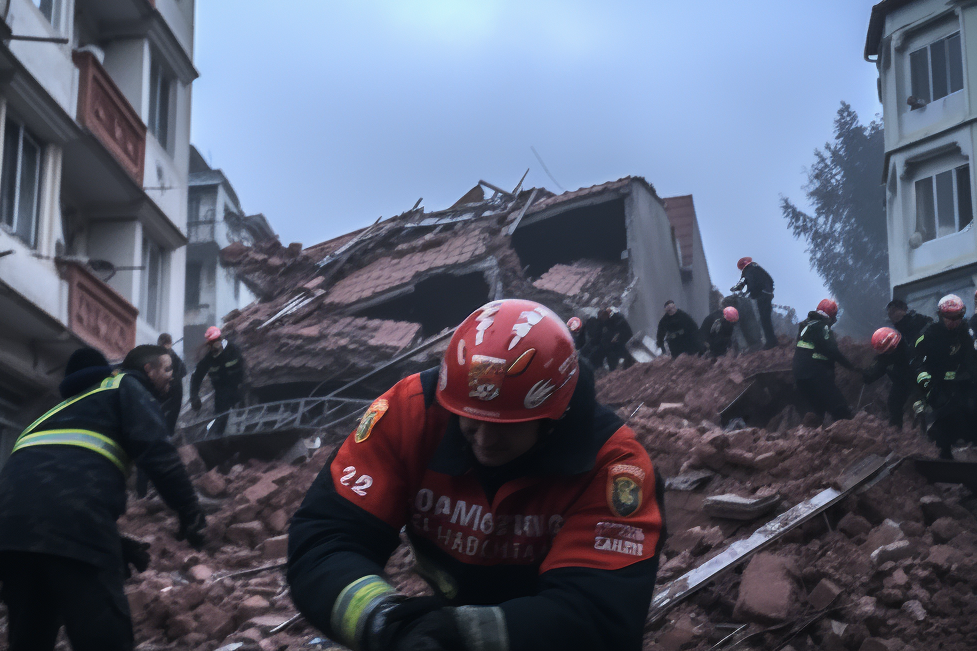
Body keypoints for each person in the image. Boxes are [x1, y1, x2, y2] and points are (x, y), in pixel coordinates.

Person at [286, 299, 664, 651]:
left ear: (554, 417)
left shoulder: (613, 465)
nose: (485, 440)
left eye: (507, 426)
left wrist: (461, 635)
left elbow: (598, 615)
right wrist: (386, 622)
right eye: (471, 420)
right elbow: (326, 540)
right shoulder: (409, 415)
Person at [0, 344, 206, 651]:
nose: (170, 380)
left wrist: (111, 542)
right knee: (104, 638)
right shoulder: (124, 385)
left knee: (30, 638)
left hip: (10, 531)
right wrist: (190, 510)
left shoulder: (49, 414)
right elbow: (157, 451)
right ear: (147, 370)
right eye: (166, 371)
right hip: (71, 521)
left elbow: (51, 487)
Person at [913, 294, 977, 460]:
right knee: (943, 417)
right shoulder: (929, 335)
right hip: (939, 383)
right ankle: (944, 454)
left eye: (957, 317)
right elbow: (917, 363)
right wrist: (924, 380)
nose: (954, 322)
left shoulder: (967, 333)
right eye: (949, 318)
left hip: (965, 381)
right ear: (940, 316)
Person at [792, 299, 856, 423]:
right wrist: (851, 366)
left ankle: (811, 436)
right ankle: (846, 432)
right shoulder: (823, 326)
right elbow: (832, 351)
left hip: (799, 374)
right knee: (839, 405)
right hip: (815, 372)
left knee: (817, 409)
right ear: (831, 315)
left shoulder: (805, 324)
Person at [190, 326, 247, 436]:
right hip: (221, 394)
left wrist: (243, 386)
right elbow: (196, 377)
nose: (211, 348)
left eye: (213, 343)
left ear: (219, 340)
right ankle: (218, 440)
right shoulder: (209, 359)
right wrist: (194, 397)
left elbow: (244, 369)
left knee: (242, 419)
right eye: (209, 344)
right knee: (220, 421)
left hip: (237, 390)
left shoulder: (233, 350)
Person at [862, 327, 915, 428]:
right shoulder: (886, 359)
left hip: (916, 382)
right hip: (900, 384)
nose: (890, 352)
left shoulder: (908, 350)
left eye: (891, 349)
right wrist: (867, 375)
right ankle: (896, 431)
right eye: (886, 351)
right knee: (893, 404)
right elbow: (877, 371)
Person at [732, 257, 777, 348]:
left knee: (764, 320)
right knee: (766, 319)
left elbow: (751, 284)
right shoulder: (758, 269)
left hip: (762, 297)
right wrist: (769, 291)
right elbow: (770, 281)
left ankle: (771, 342)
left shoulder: (750, 271)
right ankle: (772, 340)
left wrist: (750, 293)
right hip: (766, 295)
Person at [156, 332, 188, 433]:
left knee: (166, 419)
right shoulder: (159, 357)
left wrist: (172, 378)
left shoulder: (173, 357)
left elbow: (183, 371)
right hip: (166, 393)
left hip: (173, 393)